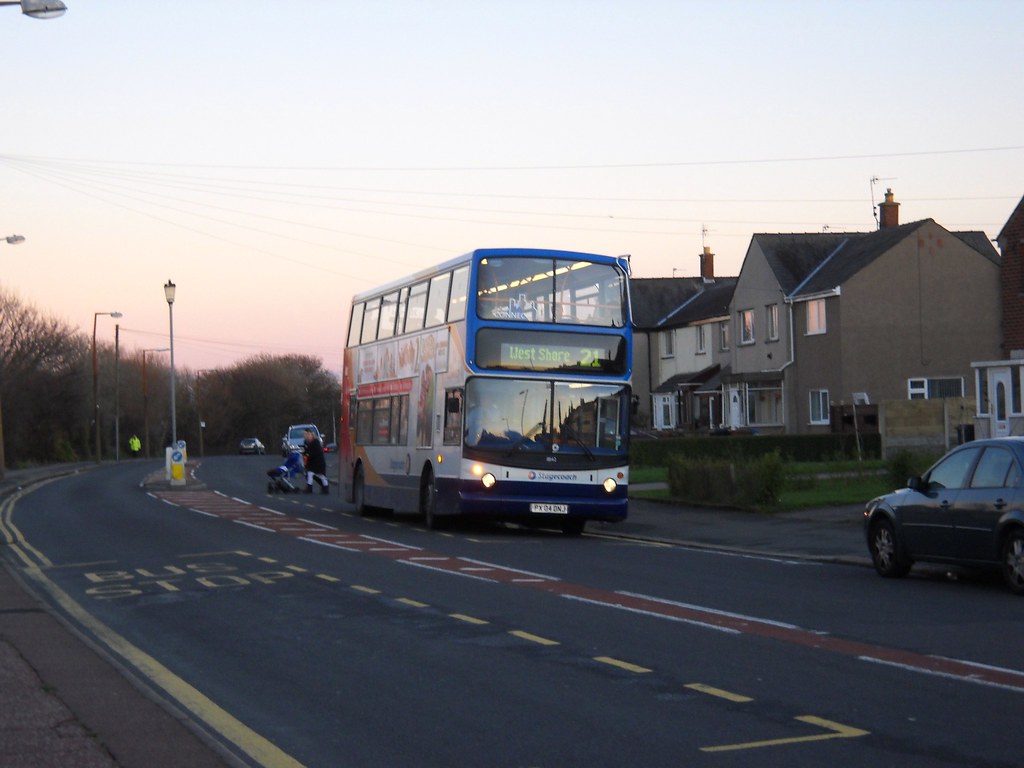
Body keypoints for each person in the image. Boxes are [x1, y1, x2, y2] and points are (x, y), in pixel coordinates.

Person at [303, 428, 329, 494]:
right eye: (305, 434)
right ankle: (324, 488)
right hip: (313, 463)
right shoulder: (308, 443)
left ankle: (311, 488)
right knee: (311, 474)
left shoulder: (315, 442)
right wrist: (306, 455)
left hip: (318, 463)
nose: (306, 436)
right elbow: (306, 452)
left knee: (320, 475)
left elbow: (313, 453)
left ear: (311, 434)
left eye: (307, 434)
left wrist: (307, 455)